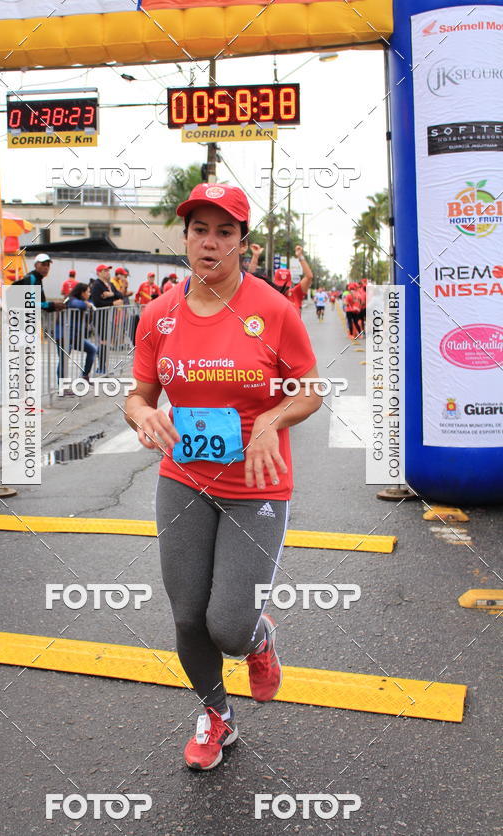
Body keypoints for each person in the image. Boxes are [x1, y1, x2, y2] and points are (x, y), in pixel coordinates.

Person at [125, 182, 322, 772]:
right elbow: (138, 395)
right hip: (183, 479)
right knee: (188, 617)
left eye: (225, 232)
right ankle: (217, 715)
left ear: (243, 244)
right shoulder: (158, 315)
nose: (210, 243)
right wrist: (142, 415)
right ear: (186, 237)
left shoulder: (273, 310)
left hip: (256, 485)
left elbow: (310, 390)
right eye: (199, 230)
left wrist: (271, 421)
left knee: (230, 627)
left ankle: (259, 639)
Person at [56, 282, 97, 383]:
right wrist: (86, 304)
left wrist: (88, 303)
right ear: (82, 292)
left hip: (74, 336)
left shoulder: (80, 300)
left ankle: (85, 375)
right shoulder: (70, 299)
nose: (89, 294)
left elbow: (92, 304)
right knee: (63, 360)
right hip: (63, 336)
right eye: (88, 292)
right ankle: (62, 386)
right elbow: (77, 304)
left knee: (92, 349)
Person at [90, 264, 124, 373]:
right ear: (99, 273)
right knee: (103, 342)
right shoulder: (96, 285)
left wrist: (110, 294)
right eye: (105, 271)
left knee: (106, 342)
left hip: (109, 316)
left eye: (108, 271)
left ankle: (103, 367)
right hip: (101, 317)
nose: (108, 273)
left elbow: (120, 295)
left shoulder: (110, 284)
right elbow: (97, 302)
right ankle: (101, 367)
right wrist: (113, 303)